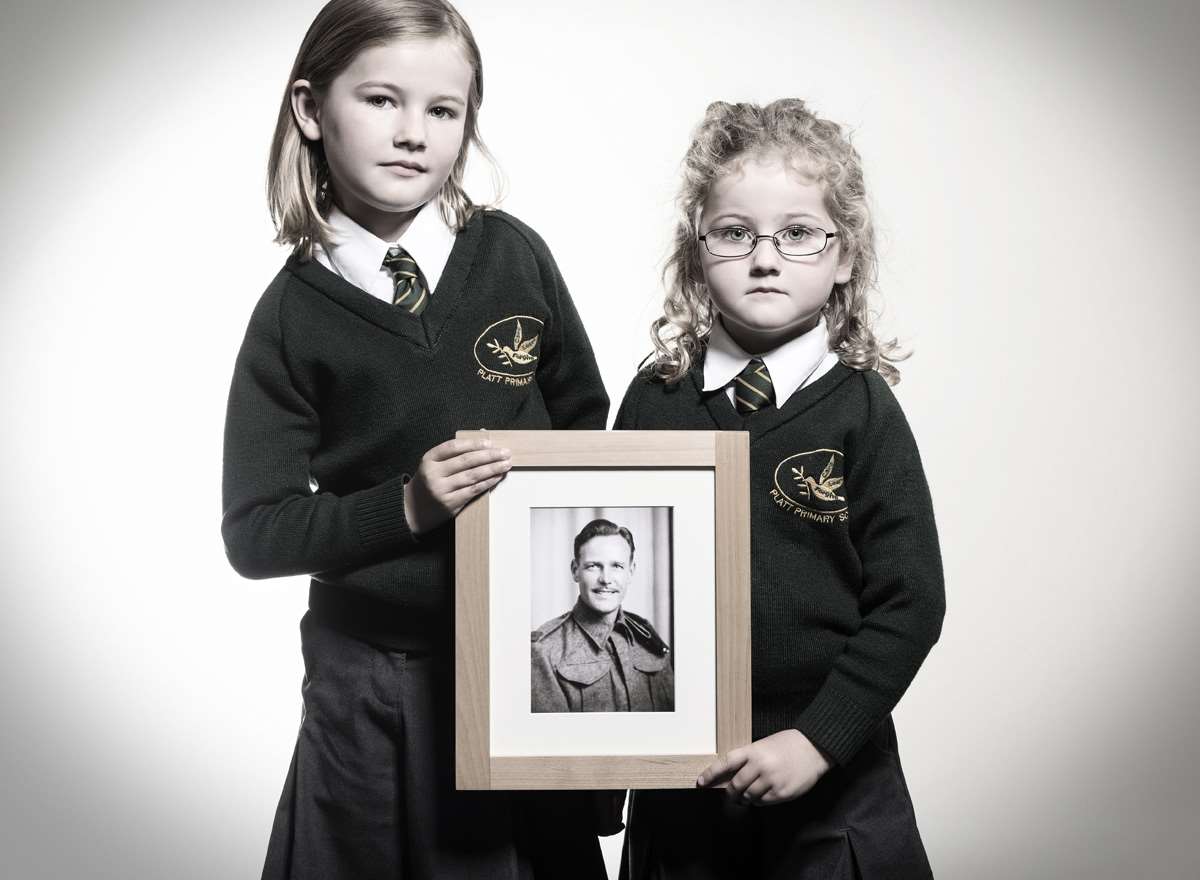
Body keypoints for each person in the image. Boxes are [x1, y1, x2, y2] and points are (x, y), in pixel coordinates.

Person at [220, 1, 612, 876]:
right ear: (311, 110)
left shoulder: (515, 255)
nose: (413, 134)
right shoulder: (290, 319)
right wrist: (406, 506)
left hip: (523, 671)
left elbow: (589, 430)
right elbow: (256, 531)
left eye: (443, 110)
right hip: (376, 687)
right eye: (381, 100)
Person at [614, 99, 946, 878]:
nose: (765, 257)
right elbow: (614, 569)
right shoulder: (652, 401)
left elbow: (910, 602)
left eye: (798, 233)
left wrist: (818, 740)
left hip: (833, 791)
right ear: (697, 252)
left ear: (844, 256)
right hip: (684, 791)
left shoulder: (864, 413)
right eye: (735, 232)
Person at [531, 519, 675, 713]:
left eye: (617, 566)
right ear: (575, 571)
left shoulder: (647, 637)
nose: (606, 579)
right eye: (593, 566)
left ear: (631, 572)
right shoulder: (544, 650)